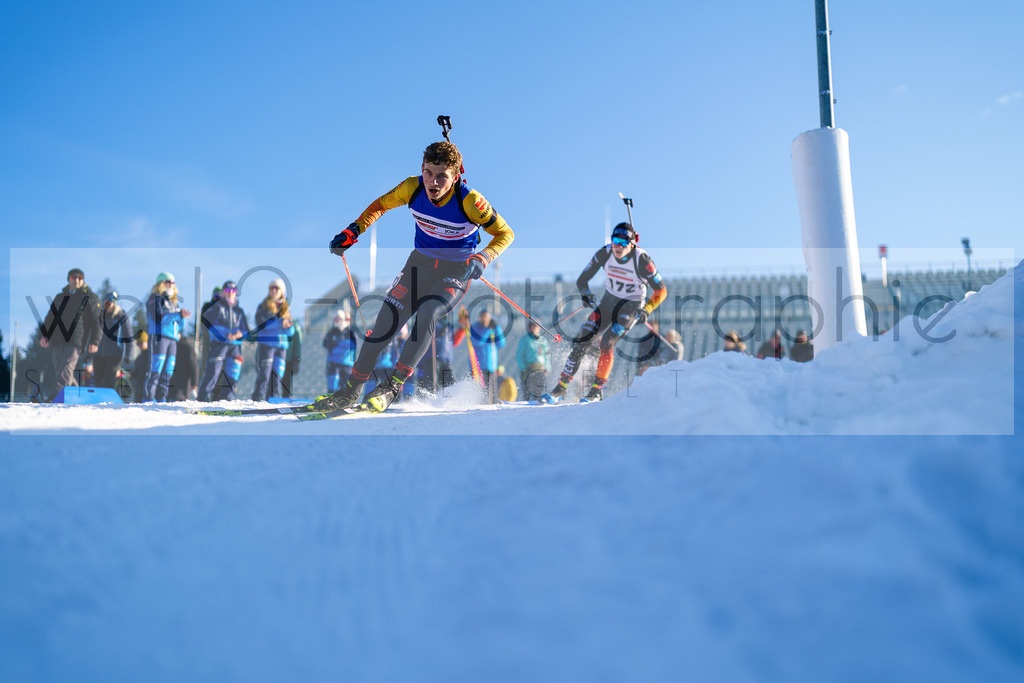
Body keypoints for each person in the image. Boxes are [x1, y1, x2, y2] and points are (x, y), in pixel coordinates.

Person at [314, 139, 514, 413]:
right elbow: (380, 205)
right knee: (384, 327)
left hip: (454, 272)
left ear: (455, 177)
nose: (433, 182)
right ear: (422, 169)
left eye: (442, 176)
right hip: (418, 266)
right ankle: (351, 391)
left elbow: (506, 233)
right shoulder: (412, 187)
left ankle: (391, 387)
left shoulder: (470, 201)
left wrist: (484, 256)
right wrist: (353, 230)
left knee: (429, 312)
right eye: (428, 172)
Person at [542, 222, 667, 403]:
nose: (618, 246)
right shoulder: (605, 252)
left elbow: (661, 291)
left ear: (632, 244)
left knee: (607, 343)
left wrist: (647, 309)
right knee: (582, 341)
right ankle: (560, 389)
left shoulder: (642, 260)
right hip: (608, 303)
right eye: (615, 240)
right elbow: (582, 279)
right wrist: (585, 294)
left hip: (631, 306)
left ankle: (596, 391)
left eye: (624, 242)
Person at [39, 268, 102, 398]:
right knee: (61, 371)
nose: (77, 280)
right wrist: (44, 335)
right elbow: (50, 318)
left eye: (80, 278)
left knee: (66, 369)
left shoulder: (90, 297)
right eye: (74, 277)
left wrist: (95, 341)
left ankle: (55, 397)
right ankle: (76, 395)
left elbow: (97, 321)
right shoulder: (60, 297)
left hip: (76, 339)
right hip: (58, 338)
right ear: (68, 279)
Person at [198, 280, 249, 401]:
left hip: (235, 346)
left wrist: (240, 334)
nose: (231, 293)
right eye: (227, 290)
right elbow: (209, 325)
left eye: (233, 291)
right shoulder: (216, 307)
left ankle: (225, 400)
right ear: (223, 293)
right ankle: (202, 399)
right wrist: (226, 334)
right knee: (212, 374)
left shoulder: (239, 311)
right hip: (219, 344)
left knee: (233, 374)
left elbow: (246, 329)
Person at [144, 272, 191, 401]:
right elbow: (158, 317)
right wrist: (178, 315)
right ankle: (149, 397)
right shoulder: (155, 298)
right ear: (160, 283)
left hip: (173, 339)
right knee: (156, 368)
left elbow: (179, 324)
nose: (171, 285)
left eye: (173, 282)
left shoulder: (174, 302)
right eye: (167, 282)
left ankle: (161, 397)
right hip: (159, 337)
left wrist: (182, 317)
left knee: (168, 371)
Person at [251, 279, 295, 401]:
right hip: (267, 345)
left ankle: (273, 401)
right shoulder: (263, 306)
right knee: (264, 375)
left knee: (277, 378)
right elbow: (262, 324)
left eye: (277, 288)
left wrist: (288, 326)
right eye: (272, 288)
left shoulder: (285, 308)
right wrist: (281, 323)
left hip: (281, 348)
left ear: (282, 291)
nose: (274, 290)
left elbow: (291, 332)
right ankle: (258, 399)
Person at [468, 308, 506, 403]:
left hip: (491, 366)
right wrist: (487, 329)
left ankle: (492, 407)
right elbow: (477, 342)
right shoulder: (475, 327)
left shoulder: (493, 329)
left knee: (491, 392)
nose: (485, 319)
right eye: (483, 317)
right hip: (477, 367)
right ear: (479, 318)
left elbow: (501, 343)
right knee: (479, 392)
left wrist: (497, 328)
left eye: (487, 317)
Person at [323, 309, 358, 393]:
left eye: (339, 318)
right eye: (335, 319)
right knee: (332, 386)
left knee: (346, 387)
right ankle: (330, 400)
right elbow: (326, 344)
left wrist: (336, 345)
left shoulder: (350, 332)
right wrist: (338, 345)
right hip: (333, 364)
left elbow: (351, 345)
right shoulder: (332, 332)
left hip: (347, 364)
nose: (337, 321)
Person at [516, 320, 550, 401]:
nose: (535, 328)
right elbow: (519, 355)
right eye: (533, 326)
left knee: (539, 393)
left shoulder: (542, 340)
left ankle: (538, 409)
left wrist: (547, 368)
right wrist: (523, 368)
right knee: (527, 392)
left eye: (537, 327)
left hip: (540, 369)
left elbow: (547, 355)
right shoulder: (525, 340)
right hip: (528, 369)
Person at [281, 319, 302, 398]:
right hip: (276, 356)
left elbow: (297, 343)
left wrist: (296, 359)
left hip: (288, 359)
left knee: (286, 381)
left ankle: (286, 399)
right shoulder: (276, 322)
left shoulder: (295, 325)